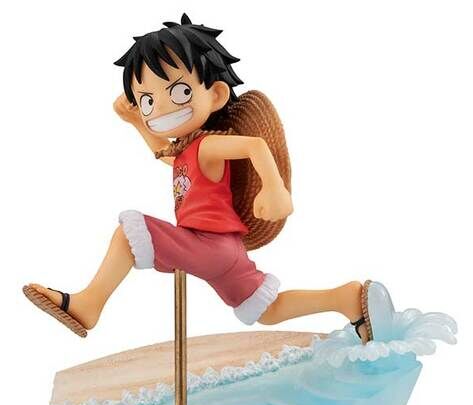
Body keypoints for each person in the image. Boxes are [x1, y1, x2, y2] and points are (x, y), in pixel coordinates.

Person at [23, 14, 372, 343]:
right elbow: (164, 153)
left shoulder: (207, 146)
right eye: (147, 100)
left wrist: (274, 188)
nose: (160, 108)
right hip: (221, 250)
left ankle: (89, 303)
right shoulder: (189, 150)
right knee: (265, 309)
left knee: (128, 234)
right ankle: (343, 297)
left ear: (216, 94)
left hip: (209, 244)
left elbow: (254, 145)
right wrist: (136, 122)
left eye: (179, 92)